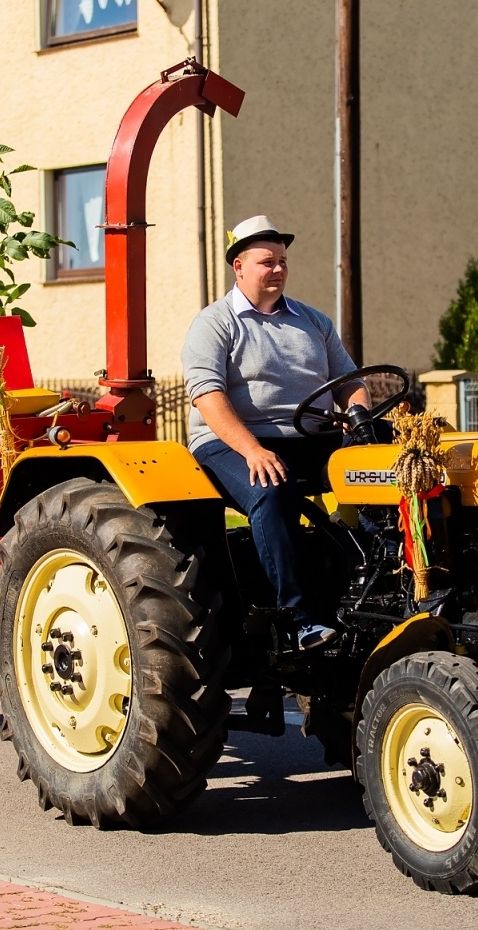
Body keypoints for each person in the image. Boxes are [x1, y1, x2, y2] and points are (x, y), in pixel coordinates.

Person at [181, 215, 368, 650]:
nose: (279, 269)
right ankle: (299, 620)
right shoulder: (215, 323)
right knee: (271, 488)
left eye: (283, 261)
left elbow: (350, 382)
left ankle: (385, 578)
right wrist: (251, 449)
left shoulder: (313, 322)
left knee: (386, 464)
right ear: (239, 267)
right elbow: (208, 397)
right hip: (232, 441)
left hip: (308, 437)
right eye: (268, 261)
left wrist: (357, 415)